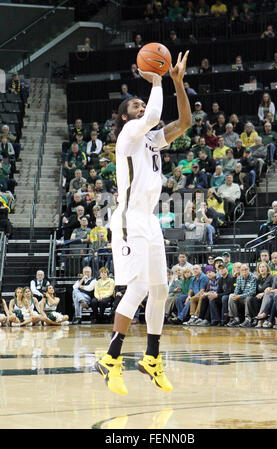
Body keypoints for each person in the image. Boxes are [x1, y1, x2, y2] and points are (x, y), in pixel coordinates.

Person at [94, 51, 192, 395]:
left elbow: (184, 123)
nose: (140, 107)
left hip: (149, 221)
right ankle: (110, 358)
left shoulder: (150, 139)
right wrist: (157, 79)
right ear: (125, 116)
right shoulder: (129, 136)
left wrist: (177, 83)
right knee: (135, 287)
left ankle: (151, 358)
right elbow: (152, 114)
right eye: (133, 105)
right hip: (128, 218)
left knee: (160, 289)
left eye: (139, 103)